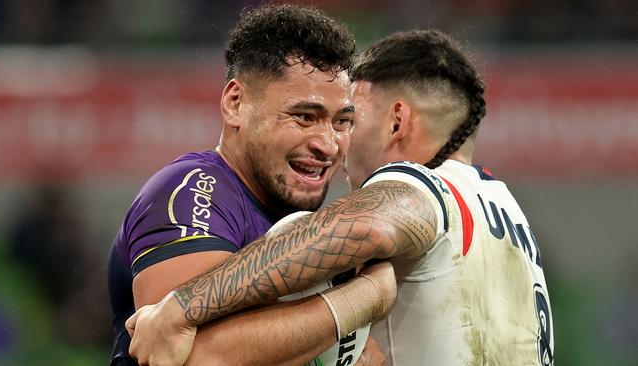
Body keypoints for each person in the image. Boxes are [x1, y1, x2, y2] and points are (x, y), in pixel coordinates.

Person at [127, 30, 555, 365]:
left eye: (349, 118)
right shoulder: (503, 209)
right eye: (307, 117)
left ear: (397, 121)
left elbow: (369, 225)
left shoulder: (422, 185)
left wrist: (181, 306)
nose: (335, 144)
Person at [107, 4, 395, 366]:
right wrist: (366, 296)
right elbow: (192, 357)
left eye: (342, 122)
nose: (328, 143)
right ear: (235, 103)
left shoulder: (298, 220)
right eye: (305, 117)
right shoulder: (193, 192)